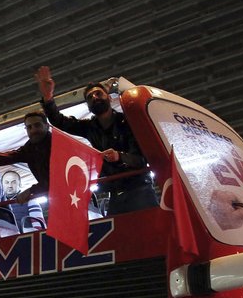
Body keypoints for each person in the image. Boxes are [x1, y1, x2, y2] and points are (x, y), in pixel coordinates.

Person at [37, 65, 157, 215]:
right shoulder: (89, 127)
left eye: (98, 94)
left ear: (110, 97)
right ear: (88, 106)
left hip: (140, 190)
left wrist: (119, 156)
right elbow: (59, 121)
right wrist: (48, 97)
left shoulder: (128, 122)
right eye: (90, 97)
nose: (94, 97)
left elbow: (141, 160)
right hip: (115, 193)